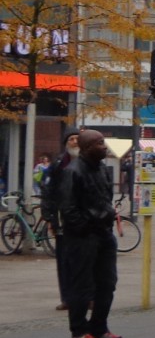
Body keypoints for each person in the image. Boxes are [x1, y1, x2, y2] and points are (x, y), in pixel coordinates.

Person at [59, 129, 121, 338]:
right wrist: (85, 228)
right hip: (82, 238)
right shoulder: (72, 171)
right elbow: (68, 208)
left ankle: (99, 327)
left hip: (104, 234)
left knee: (108, 283)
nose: (104, 146)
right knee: (82, 285)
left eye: (103, 142)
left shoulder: (103, 169)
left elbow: (105, 198)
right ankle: (79, 330)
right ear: (86, 148)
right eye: (99, 143)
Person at [39, 130, 80, 311]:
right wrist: (49, 217)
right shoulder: (57, 165)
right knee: (64, 261)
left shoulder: (90, 162)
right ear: (65, 143)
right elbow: (48, 192)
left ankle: (88, 298)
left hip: (84, 221)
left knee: (85, 261)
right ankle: (67, 298)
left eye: (77, 139)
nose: (74, 142)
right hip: (63, 220)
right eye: (71, 139)